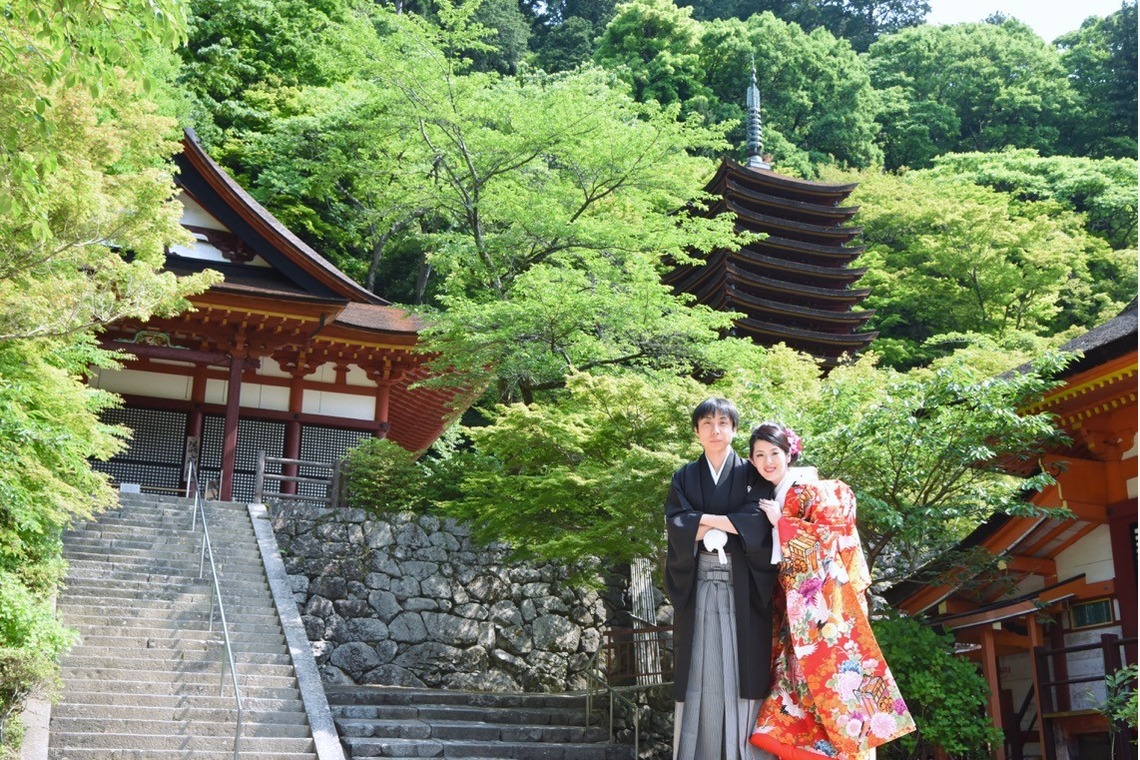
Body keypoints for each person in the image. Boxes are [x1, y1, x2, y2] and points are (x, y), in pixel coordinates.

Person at [747, 422, 916, 759]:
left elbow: (831, 540)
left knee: (835, 681)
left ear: (789, 453)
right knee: (800, 686)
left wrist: (782, 522)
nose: (768, 461)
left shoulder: (815, 490)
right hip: (795, 607)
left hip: (824, 604)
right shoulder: (776, 493)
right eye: (760, 455)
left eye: (774, 453)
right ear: (751, 461)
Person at [665, 398, 780, 760]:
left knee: (743, 669)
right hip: (698, 584)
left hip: (743, 587)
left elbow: (758, 523)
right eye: (707, 424)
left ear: (733, 429)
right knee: (699, 668)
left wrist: (705, 519)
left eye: (723, 423)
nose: (716, 431)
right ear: (697, 431)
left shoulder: (752, 474)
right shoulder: (684, 476)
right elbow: (678, 526)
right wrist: (729, 521)